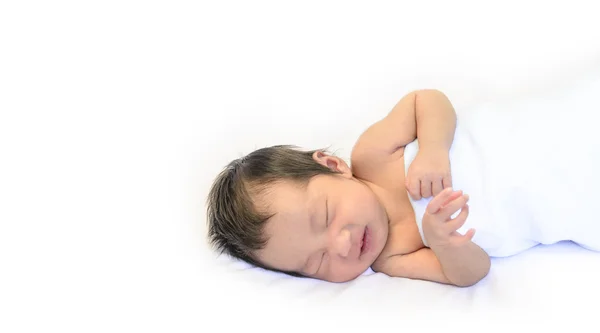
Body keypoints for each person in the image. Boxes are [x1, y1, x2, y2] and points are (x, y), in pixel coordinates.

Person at [207, 74, 600, 287]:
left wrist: (432, 149)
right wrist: (446, 245)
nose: (342, 245)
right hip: (570, 206)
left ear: (331, 164)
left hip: (548, 130)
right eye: (318, 262)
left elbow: (426, 100)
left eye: (325, 216)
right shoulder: (394, 258)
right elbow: (471, 273)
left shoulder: (373, 156)